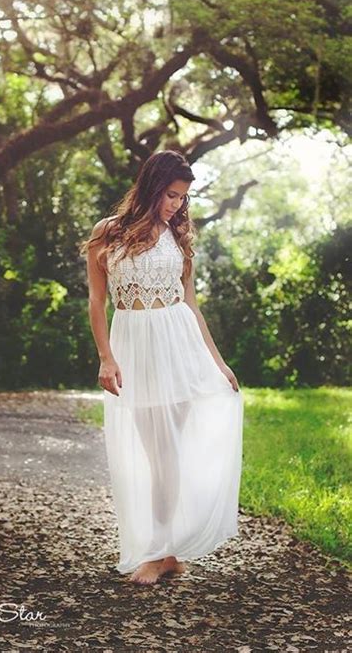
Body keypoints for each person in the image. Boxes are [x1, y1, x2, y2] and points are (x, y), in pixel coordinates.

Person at [80, 150, 244, 585]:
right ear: (152, 186)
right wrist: (106, 357)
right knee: (160, 451)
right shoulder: (108, 233)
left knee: (172, 450)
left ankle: (165, 552)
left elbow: (190, 305)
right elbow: (97, 302)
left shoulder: (178, 237)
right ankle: (158, 551)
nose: (175, 204)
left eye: (182, 198)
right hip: (135, 345)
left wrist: (219, 362)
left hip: (180, 343)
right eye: (170, 195)